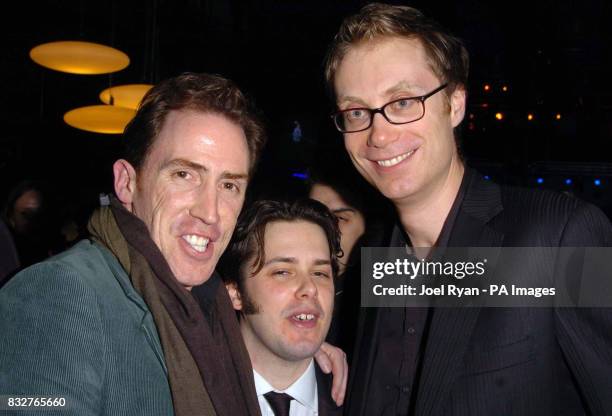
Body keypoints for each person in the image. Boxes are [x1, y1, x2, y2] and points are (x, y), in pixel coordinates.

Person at [0, 73, 346, 416]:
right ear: (126, 182)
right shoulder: (59, 292)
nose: (210, 212)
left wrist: (300, 351)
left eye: (229, 186)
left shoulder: (207, 311)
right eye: (184, 174)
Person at [324, 3, 612, 415]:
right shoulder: (375, 256)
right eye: (356, 112)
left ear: (455, 104)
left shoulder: (560, 235)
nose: (379, 134)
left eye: (404, 101)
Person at [222, 199, 343, 416]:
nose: (310, 288)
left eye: (320, 273)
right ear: (235, 293)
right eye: (283, 272)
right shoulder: (185, 390)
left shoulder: (367, 395)